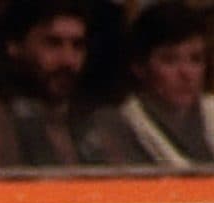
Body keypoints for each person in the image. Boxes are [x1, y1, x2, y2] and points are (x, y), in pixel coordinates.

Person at [0, 0, 96, 169]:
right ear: (15, 46)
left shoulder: (94, 121)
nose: (68, 60)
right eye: (53, 43)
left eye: (78, 46)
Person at [80, 0, 212, 167]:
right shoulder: (116, 125)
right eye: (170, 60)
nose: (186, 73)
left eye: (196, 59)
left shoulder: (210, 113)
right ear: (139, 67)